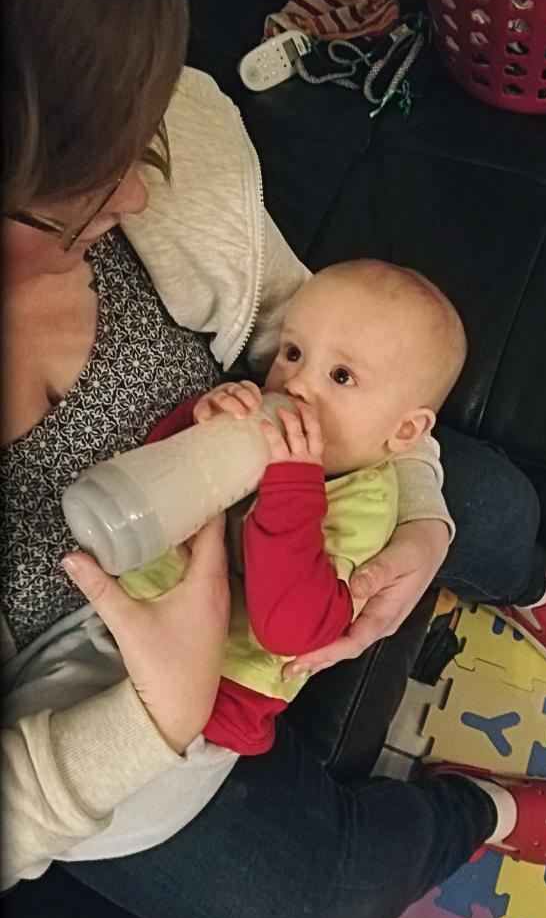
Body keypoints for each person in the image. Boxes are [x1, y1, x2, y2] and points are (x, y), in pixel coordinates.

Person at [1, 0, 546, 918]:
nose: (137, 192)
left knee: (494, 504)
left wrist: (418, 520)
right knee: (312, 902)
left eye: (138, 140)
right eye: (73, 193)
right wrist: (152, 717)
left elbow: (322, 330)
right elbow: (289, 629)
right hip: (104, 686)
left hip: (289, 488)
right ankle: (472, 811)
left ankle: (524, 585)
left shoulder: (163, 126)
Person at [120, 258, 469, 756]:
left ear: (406, 431)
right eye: (292, 352)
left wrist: (292, 490)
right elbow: (153, 484)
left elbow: (291, 631)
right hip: (127, 612)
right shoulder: (262, 432)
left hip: (216, 698)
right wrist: (197, 427)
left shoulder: (365, 508)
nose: (295, 384)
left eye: (341, 376)